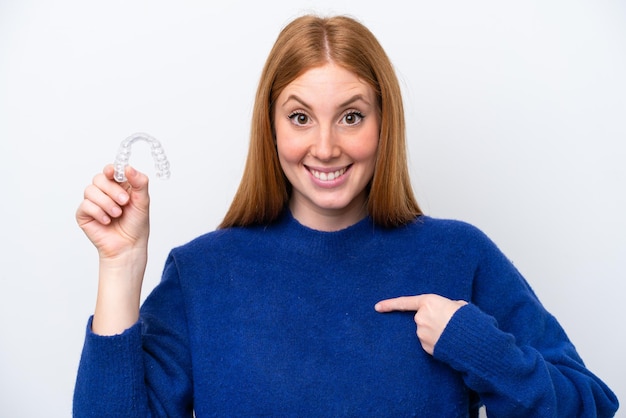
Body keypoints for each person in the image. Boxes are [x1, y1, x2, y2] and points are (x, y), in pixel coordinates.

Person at [73, 14, 619, 417]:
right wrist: (120, 266)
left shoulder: (460, 255)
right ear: (272, 128)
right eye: (301, 117)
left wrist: (477, 346)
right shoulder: (204, 273)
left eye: (352, 116)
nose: (327, 146)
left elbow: (592, 406)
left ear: (385, 123)